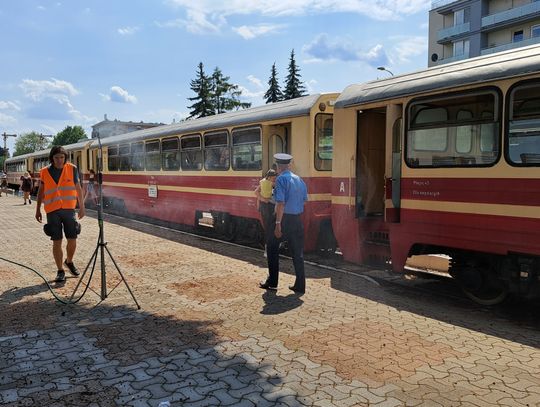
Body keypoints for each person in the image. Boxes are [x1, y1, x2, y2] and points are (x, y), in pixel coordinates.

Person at [35, 146, 85, 283]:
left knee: (72, 238)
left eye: (62, 157)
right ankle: (60, 270)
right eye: (56, 157)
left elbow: (78, 188)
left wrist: (82, 206)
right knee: (57, 241)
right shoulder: (44, 172)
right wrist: (37, 209)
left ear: (65, 158)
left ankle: (69, 261)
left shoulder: (72, 168)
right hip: (52, 210)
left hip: (69, 210)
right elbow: (41, 191)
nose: (59, 160)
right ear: (52, 158)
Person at [259, 153, 308, 294]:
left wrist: (278, 224)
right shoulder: (299, 179)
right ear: (289, 165)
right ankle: (300, 285)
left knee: (272, 248)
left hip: (284, 219)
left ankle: (272, 281)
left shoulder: (281, 180)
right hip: (297, 220)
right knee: (297, 253)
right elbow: (305, 200)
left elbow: (280, 203)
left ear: (278, 167)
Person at [254, 169, 277, 256]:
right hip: (268, 208)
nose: (275, 179)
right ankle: (268, 250)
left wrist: (262, 200)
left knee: (270, 228)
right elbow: (256, 192)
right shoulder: (271, 184)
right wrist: (264, 199)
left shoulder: (264, 182)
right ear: (270, 177)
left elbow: (256, 192)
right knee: (269, 228)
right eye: (274, 177)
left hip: (267, 207)